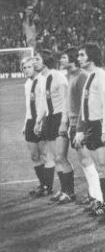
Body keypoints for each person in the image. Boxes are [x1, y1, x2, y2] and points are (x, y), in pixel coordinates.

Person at [74, 43, 105, 223]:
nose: (79, 58)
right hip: (91, 126)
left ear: (91, 57)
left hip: (101, 124)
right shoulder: (90, 76)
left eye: (82, 55)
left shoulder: (101, 76)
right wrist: (82, 129)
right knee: (101, 169)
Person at [59, 47, 103, 207]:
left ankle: (99, 197)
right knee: (83, 161)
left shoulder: (82, 76)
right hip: (73, 123)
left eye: (64, 57)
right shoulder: (72, 76)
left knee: (87, 160)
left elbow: (85, 106)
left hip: (80, 125)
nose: (61, 60)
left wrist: (80, 129)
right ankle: (93, 195)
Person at [33, 49, 74, 204]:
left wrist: (64, 121)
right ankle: (63, 190)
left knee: (61, 157)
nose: (34, 62)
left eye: (37, 59)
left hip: (59, 118)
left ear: (45, 60)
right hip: (49, 119)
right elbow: (44, 103)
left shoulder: (58, 77)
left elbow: (66, 102)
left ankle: (70, 192)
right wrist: (38, 121)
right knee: (56, 159)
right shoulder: (43, 78)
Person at [21, 57, 48, 197]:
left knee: (45, 154)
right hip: (31, 121)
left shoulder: (42, 81)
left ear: (35, 67)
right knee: (34, 155)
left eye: (29, 67)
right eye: (24, 68)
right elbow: (28, 107)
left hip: (41, 121)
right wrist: (25, 124)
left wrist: (41, 122)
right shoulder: (27, 84)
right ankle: (42, 184)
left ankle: (47, 187)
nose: (26, 70)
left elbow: (44, 104)